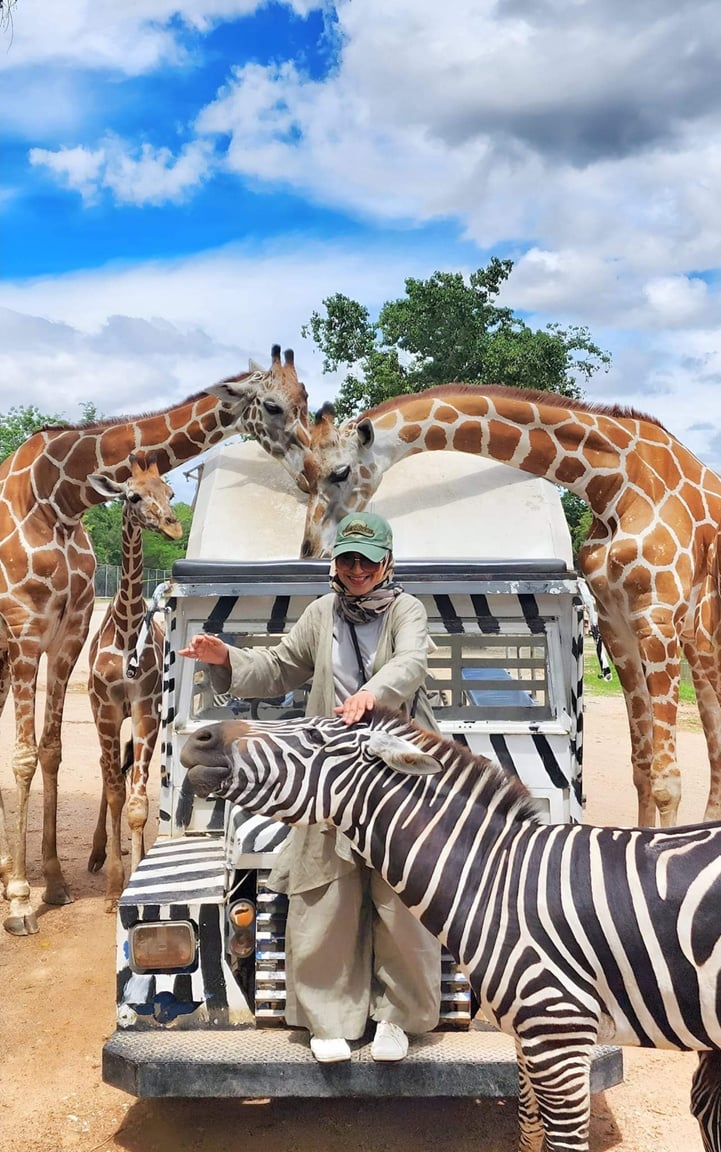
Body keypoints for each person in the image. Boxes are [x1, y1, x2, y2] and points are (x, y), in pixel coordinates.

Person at [179, 511, 442, 1064]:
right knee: (325, 890)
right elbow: (279, 668)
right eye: (347, 558)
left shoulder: (407, 610)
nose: (356, 570)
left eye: (367, 560)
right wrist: (226, 658)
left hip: (397, 774)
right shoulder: (322, 613)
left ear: (387, 562)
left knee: (399, 900)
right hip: (331, 769)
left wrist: (372, 692)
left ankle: (397, 1019)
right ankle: (328, 1019)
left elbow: (412, 661)